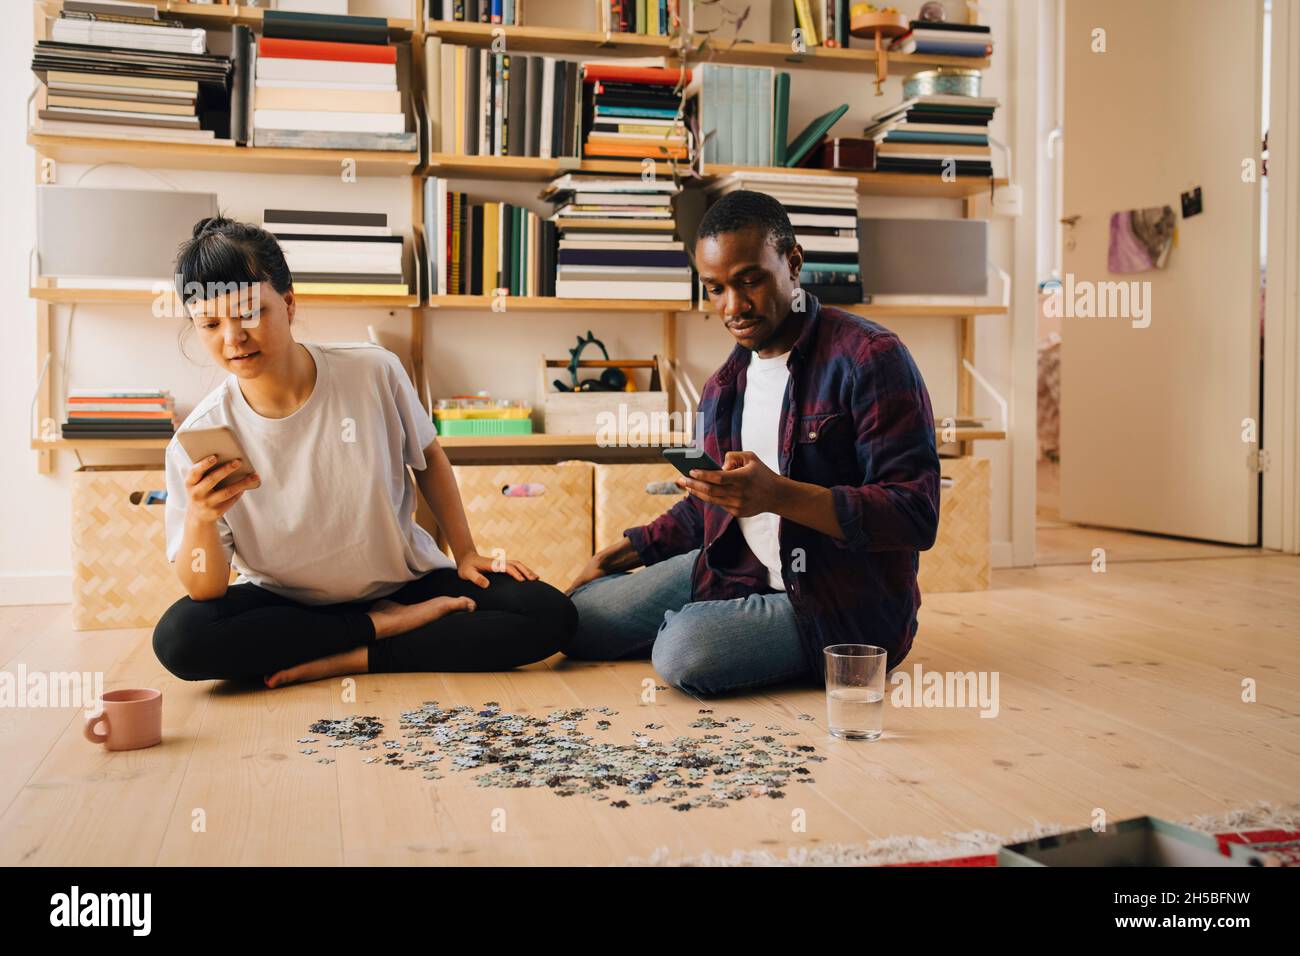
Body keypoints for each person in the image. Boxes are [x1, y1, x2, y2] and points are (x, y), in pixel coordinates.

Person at [152, 216, 576, 687]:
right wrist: (200, 517)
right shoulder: (200, 435)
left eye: (249, 313)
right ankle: (380, 629)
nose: (233, 338)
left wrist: (467, 551)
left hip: (405, 583)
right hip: (287, 604)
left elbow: (429, 456)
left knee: (550, 614)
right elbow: (205, 588)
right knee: (180, 639)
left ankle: (352, 658)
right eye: (210, 323)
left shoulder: (373, 371)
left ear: (289, 304)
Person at [565, 190, 941, 696]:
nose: (733, 306)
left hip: (837, 608)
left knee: (683, 651)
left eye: (749, 281)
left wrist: (778, 495)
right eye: (715, 288)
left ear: (792, 264)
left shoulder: (870, 357)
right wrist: (617, 557)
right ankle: (710, 614)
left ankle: (706, 623)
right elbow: (710, 506)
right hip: (737, 571)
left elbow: (914, 513)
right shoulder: (723, 386)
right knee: (576, 619)